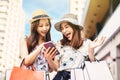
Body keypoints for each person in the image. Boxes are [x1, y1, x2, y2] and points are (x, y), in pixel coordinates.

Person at [53, 13, 105, 80]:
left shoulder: (86, 43)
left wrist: (91, 49)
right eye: (62, 28)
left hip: (78, 76)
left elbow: (92, 65)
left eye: (66, 27)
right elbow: (56, 68)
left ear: (75, 27)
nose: (64, 31)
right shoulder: (60, 44)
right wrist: (48, 58)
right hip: (61, 77)